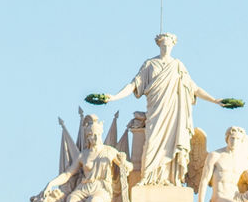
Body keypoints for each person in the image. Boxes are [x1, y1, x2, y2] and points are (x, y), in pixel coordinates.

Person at [92, 33, 237, 186]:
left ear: (173, 45)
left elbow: (194, 88)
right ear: (159, 45)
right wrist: (114, 97)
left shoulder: (178, 66)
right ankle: (147, 177)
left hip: (174, 114)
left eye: (169, 45)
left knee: (171, 145)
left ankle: (170, 179)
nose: (166, 47)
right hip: (155, 112)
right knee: (151, 143)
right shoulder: (149, 65)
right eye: (163, 45)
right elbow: (133, 85)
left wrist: (215, 100)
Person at [32, 113, 133, 202]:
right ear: (87, 137)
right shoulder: (83, 155)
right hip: (84, 188)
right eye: (91, 135)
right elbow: (67, 174)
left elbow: (129, 167)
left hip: (102, 188)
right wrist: (51, 183)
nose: (95, 138)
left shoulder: (109, 151)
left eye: (97, 135)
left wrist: (123, 163)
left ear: (101, 134)